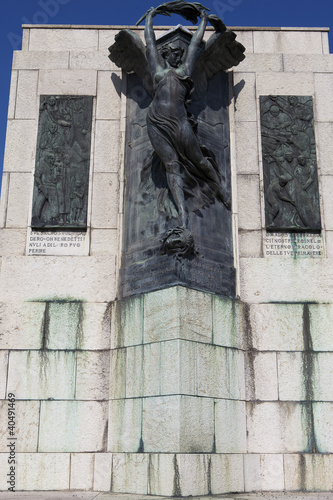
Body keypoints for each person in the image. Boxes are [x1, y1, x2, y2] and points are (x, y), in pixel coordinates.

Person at [144, 7, 230, 227]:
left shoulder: (184, 72)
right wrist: (150, 19)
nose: (178, 55)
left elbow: (194, 46)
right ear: (167, 55)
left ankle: (220, 189)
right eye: (174, 53)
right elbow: (150, 44)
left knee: (199, 159)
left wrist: (203, 22)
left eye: (179, 54)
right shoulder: (158, 72)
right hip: (157, 122)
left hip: (180, 123)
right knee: (171, 167)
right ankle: (183, 218)